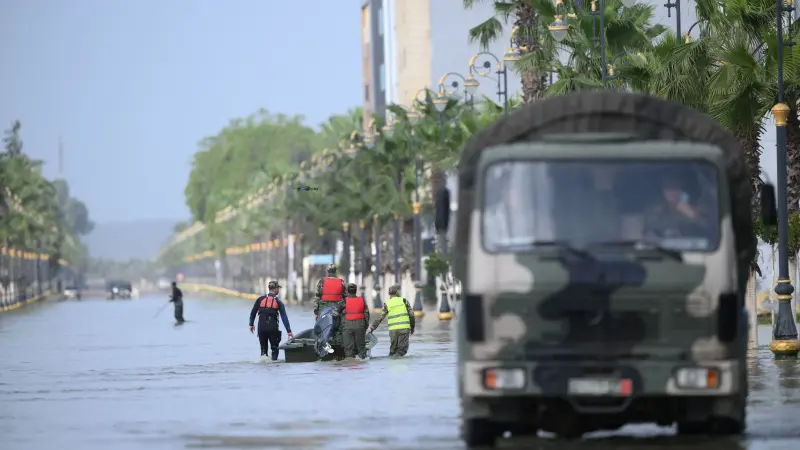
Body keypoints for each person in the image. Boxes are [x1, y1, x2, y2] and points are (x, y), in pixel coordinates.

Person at [644, 175, 709, 239]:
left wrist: (693, 215)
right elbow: (648, 228)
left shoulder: (697, 206)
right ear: (663, 190)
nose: (671, 192)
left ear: (681, 190)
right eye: (668, 188)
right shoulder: (654, 208)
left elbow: (709, 227)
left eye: (675, 188)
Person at [249, 281, 293, 360]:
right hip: (272, 327)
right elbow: (284, 317)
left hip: (261, 327)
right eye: (278, 288)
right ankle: (274, 367)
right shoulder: (278, 302)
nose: (278, 290)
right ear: (275, 289)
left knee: (263, 351)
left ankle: (264, 368)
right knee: (274, 349)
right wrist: (289, 331)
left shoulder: (260, 299)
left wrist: (251, 324)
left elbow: (253, 313)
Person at [367, 284, 415, 357]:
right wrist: (412, 327)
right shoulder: (404, 301)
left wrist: (372, 328)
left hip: (393, 330)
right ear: (397, 292)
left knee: (393, 350)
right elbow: (411, 315)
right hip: (404, 328)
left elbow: (380, 318)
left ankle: (392, 364)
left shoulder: (387, 304)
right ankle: (399, 365)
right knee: (401, 351)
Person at [313, 264, 346, 351]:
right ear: (335, 271)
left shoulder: (322, 282)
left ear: (327, 271)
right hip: (337, 307)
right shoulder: (341, 282)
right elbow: (345, 298)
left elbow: (317, 297)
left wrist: (316, 312)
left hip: (323, 307)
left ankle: (321, 344)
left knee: (321, 326)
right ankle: (338, 345)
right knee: (338, 327)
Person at [337, 283, 370, 359]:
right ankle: (362, 360)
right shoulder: (362, 300)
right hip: (360, 325)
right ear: (356, 291)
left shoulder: (344, 301)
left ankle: (350, 364)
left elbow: (335, 313)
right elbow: (367, 314)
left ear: (347, 291)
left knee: (348, 349)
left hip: (347, 325)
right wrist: (366, 325)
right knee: (361, 348)